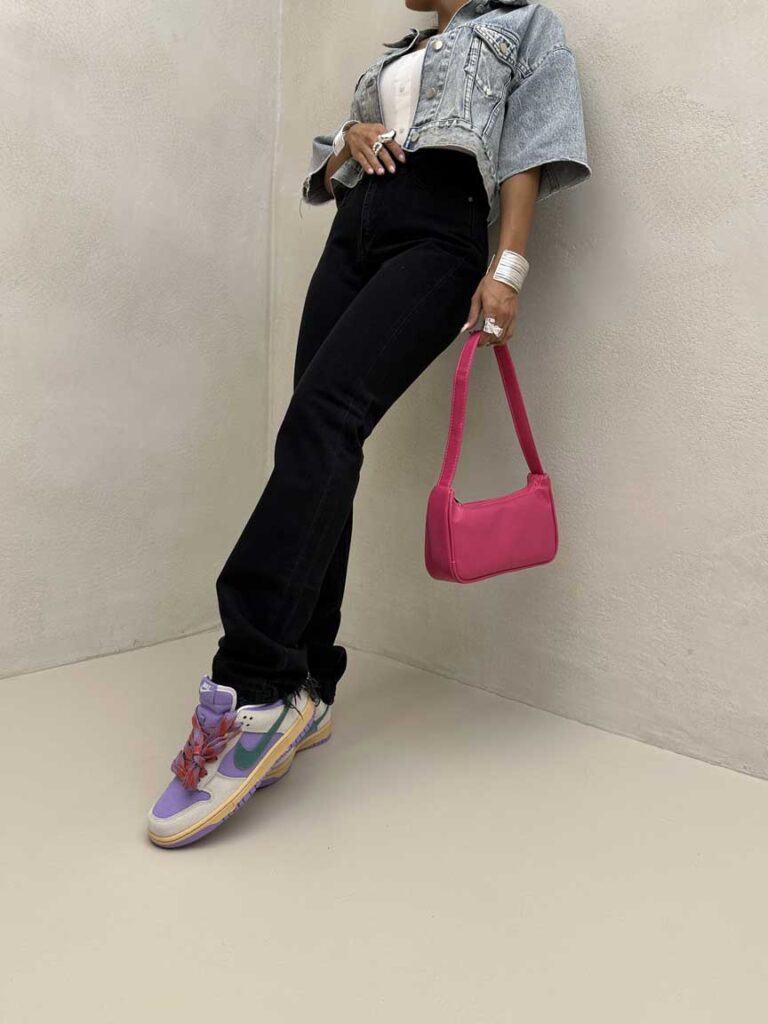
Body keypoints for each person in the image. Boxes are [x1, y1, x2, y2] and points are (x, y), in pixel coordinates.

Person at [147, 0, 591, 848]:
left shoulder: (522, 24)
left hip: (438, 234)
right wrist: (347, 145)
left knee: (325, 419)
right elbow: (335, 168)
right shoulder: (399, 52)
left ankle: (254, 687)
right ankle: (309, 680)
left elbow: (531, 147)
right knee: (316, 436)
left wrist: (508, 270)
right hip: (353, 237)